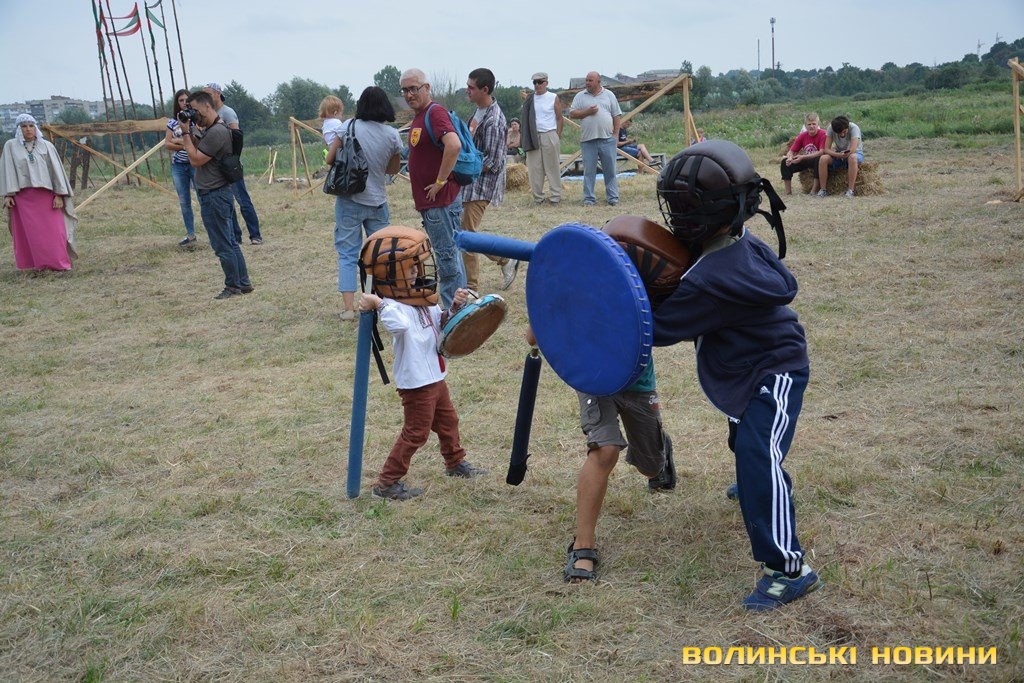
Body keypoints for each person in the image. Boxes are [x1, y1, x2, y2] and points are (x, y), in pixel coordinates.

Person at [653, 140, 822, 610]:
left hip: (774, 370)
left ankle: (789, 570)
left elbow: (657, 329)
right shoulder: (740, 239)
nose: (674, 214)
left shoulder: (709, 278)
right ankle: (756, 486)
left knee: (757, 452)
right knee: (742, 439)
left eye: (681, 206)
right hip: (742, 365)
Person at [524, 325, 676, 584]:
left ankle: (661, 450)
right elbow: (532, 337)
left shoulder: (644, 295)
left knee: (650, 467)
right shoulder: (567, 295)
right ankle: (583, 546)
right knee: (605, 449)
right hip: (593, 380)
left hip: (637, 379)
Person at [358, 226, 487, 500]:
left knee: (448, 421)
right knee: (416, 433)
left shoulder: (421, 297)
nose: (417, 270)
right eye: (410, 267)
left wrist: (454, 307)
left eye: (418, 264)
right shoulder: (394, 306)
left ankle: (455, 462)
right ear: (390, 273)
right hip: (417, 383)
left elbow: (439, 324)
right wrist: (379, 304)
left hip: (436, 377)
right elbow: (400, 326)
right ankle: (387, 483)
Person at [326, 86, 402, 321]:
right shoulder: (392, 135)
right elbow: (393, 169)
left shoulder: (347, 126)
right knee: (381, 254)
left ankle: (349, 309)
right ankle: (380, 301)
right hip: (377, 201)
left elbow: (330, 159)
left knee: (348, 254)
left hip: (349, 199)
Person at [399, 67, 467, 309]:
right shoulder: (421, 116)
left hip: (440, 203)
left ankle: (452, 315)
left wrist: (440, 182)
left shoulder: (434, 112)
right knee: (452, 256)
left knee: (447, 261)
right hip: (435, 205)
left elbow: (453, 145)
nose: (409, 94)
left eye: (413, 88)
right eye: (405, 90)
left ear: (427, 88)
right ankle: (461, 310)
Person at [179, 91, 254, 300]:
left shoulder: (217, 132)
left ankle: (232, 286)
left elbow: (195, 160)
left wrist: (185, 134)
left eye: (195, 110)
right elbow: (200, 149)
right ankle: (243, 283)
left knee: (222, 245)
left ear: (207, 106)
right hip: (219, 192)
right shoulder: (214, 129)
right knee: (230, 241)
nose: (194, 114)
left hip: (214, 195)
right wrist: (192, 130)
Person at [460, 68, 518, 293]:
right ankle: (505, 259)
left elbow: (493, 162)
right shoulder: (478, 112)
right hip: (469, 183)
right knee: (465, 233)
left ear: (485, 89)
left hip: (482, 186)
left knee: (467, 235)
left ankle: (471, 287)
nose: (467, 90)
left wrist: (462, 165)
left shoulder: (494, 121)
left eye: (471, 87)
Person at [1, 114, 78, 271]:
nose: (28, 129)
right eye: (24, 126)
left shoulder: (46, 146)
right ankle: (35, 265)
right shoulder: (10, 146)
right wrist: (8, 194)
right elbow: (7, 170)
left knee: (55, 231)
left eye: (31, 125)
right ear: (18, 129)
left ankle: (59, 264)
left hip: (47, 197)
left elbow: (56, 171)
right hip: (23, 199)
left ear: (35, 127)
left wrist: (59, 195)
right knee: (30, 233)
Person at [205, 82, 263, 244]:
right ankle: (235, 237)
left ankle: (255, 235)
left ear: (218, 94)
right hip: (216, 166)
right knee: (227, 203)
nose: (206, 98)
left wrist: (232, 159)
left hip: (230, 164)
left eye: (208, 94)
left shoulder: (227, 112)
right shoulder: (208, 114)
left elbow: (237, 137)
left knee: (242, 200)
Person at [569, 72, 622, 206]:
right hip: (588, 140)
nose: (587, 83)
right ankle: (589, 199)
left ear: (599, 81)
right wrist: (587, 112)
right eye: (586, 80)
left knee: (610, 170)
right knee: (589, 171)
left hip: (607, 139)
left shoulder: (609, 95)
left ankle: (612, 198)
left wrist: (616, 135)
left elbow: (616, 115)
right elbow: (572, 113)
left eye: (590, 80)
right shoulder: (580, 96)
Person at [520, 71, 564, 205]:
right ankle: (538, 197)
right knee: (534, 168)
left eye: (540, 82)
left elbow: (559, 118)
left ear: (546, 83)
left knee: (552, 167)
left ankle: (555, 196)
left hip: (549, 134)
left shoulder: (553, 97)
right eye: (535, 82)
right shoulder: (530, 99)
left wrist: (557, 135)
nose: (537, 85)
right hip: (533, 135)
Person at [166, 89, 200, 247]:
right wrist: (185, 145)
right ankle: (190, 235)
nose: (184, 102)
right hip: (179, 166)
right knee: (184, 201)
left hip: (195, 164)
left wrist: (179, 141)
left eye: (187, 99)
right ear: (177, 103)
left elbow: (198, 141)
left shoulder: (197, 120)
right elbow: (168, 144)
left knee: (203, 198)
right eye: (181, 100)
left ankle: (213, 232)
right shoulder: (172, 122)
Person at [780, 112, 827, 195]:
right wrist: (790, 157)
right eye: (809, 124)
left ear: (818, 125)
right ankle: (788, 192)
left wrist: (802, 157)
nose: (811, 126)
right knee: (785, 162)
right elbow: (791, 151)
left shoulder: (823, 134)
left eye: (814, 124)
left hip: (817, 160)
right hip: (806, 159)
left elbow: (821, 152)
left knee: (819, 159)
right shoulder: (802, 135)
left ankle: (814, 190)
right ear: (805, 126)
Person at [816, 115, 863, 198]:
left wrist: (844, 154)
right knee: (823, 158)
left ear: (847, 127)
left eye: (844, 131)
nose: (842, 134)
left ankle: (850, 190)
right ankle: (823, 190)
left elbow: (853, 149)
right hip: (838, 153)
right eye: (839, 133)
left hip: (855, 153)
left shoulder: (854, 128)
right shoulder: (830, 128)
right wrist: (838, 155)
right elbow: (826, 149)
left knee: (852, 157)